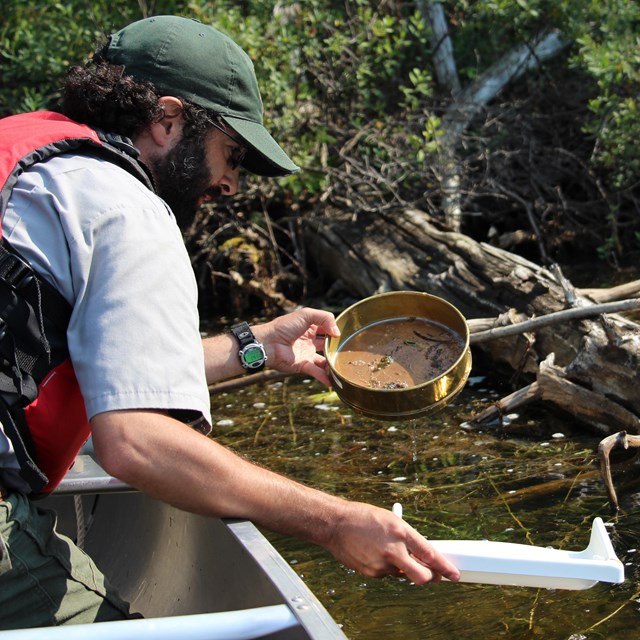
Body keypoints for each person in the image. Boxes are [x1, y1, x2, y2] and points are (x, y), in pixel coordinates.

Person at [0, 15, 460, 628]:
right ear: (166, 118)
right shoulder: (127, 209)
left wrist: (256, 346)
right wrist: (335, 520)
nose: (231, 182)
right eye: (231, 153)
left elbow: (107, 365)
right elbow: (136, 442)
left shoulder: (32, 157)